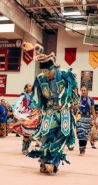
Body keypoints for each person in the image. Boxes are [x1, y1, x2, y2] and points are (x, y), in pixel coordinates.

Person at [26, 43, 78, 174]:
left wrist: (74, 100)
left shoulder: (65, 75)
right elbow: (37, 96)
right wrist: (36, 108)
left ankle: (53, 163)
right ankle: (44, 162)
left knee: (61, 136)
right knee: (45, 136)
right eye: (43, 71)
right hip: (49, 111)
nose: (46, 74)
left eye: (48, 71)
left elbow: (74, 86)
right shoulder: (40, 78)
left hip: (64, 111)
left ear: (53, 67)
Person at [10, 83, 41, 154]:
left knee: (30, 134)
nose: (31, 87)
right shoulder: (23, 96)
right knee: (26, 134)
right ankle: (24, 149)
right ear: (26, 88)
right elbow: (17, 104)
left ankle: (26, 148)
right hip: (26, 116)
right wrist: (19, 114)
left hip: (31, 116)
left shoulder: (32, 97)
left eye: (31, 85)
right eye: (29, 86)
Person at [76, 87, 96, 155]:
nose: (83, 91)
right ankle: (81, 150)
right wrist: (76, 106)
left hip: (87, 117)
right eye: (82, 90)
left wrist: (94, 119)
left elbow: (93, 110)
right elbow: (73, 107)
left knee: (85, 134)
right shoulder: (78, 99)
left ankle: (83, 149)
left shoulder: (90, 100)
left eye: (85, 90)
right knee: (80, 132)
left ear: (87, 91)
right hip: (80, 117)